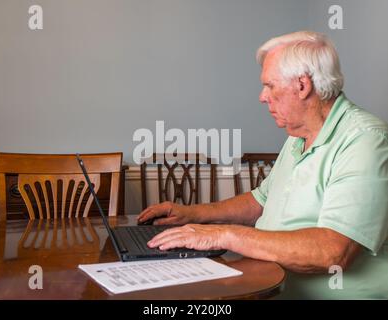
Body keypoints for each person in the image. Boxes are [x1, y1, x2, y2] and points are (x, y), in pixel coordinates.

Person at [137, 31, 388, 299]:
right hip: (272, 287)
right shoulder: (298, 136)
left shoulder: (365, 139)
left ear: (302, 85)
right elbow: (261, 200)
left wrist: (223, 235)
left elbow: (332, 251)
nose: (262, 96)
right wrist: (193, 214)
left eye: (269, 85)